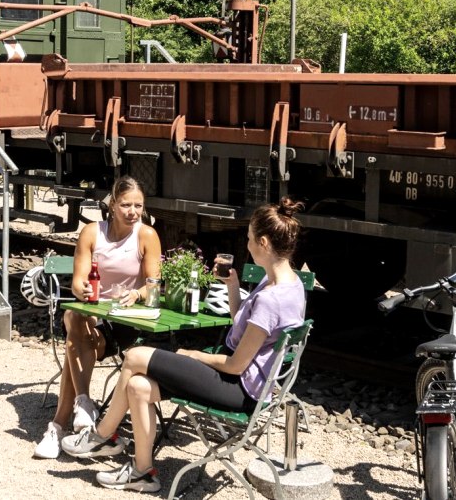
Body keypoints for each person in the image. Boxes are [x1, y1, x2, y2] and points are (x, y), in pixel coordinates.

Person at [59, 198, 308, 493]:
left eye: (250, 238)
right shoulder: (290, 286)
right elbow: (244, 329)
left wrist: (192, 355)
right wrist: (232, 286)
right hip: (250, 383)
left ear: (264, 243)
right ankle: (143, 473)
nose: (248, 243)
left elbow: (235, 364)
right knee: (138, 387)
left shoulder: (270, 298)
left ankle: (100, 436)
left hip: (238, 388)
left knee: (136, 355)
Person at [33, 177, 163, 459]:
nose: (133, 212)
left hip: (125, 320)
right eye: (126, 205)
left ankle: (60, 424)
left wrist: (137, 295)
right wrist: (84, 292)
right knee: (75, 318)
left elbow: (153, 284)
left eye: (138, 205)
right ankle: (79, 407)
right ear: (112, 205)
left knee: (73, 343)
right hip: (91, 314)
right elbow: (79, 283)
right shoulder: (92, 233)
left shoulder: (146, 236)